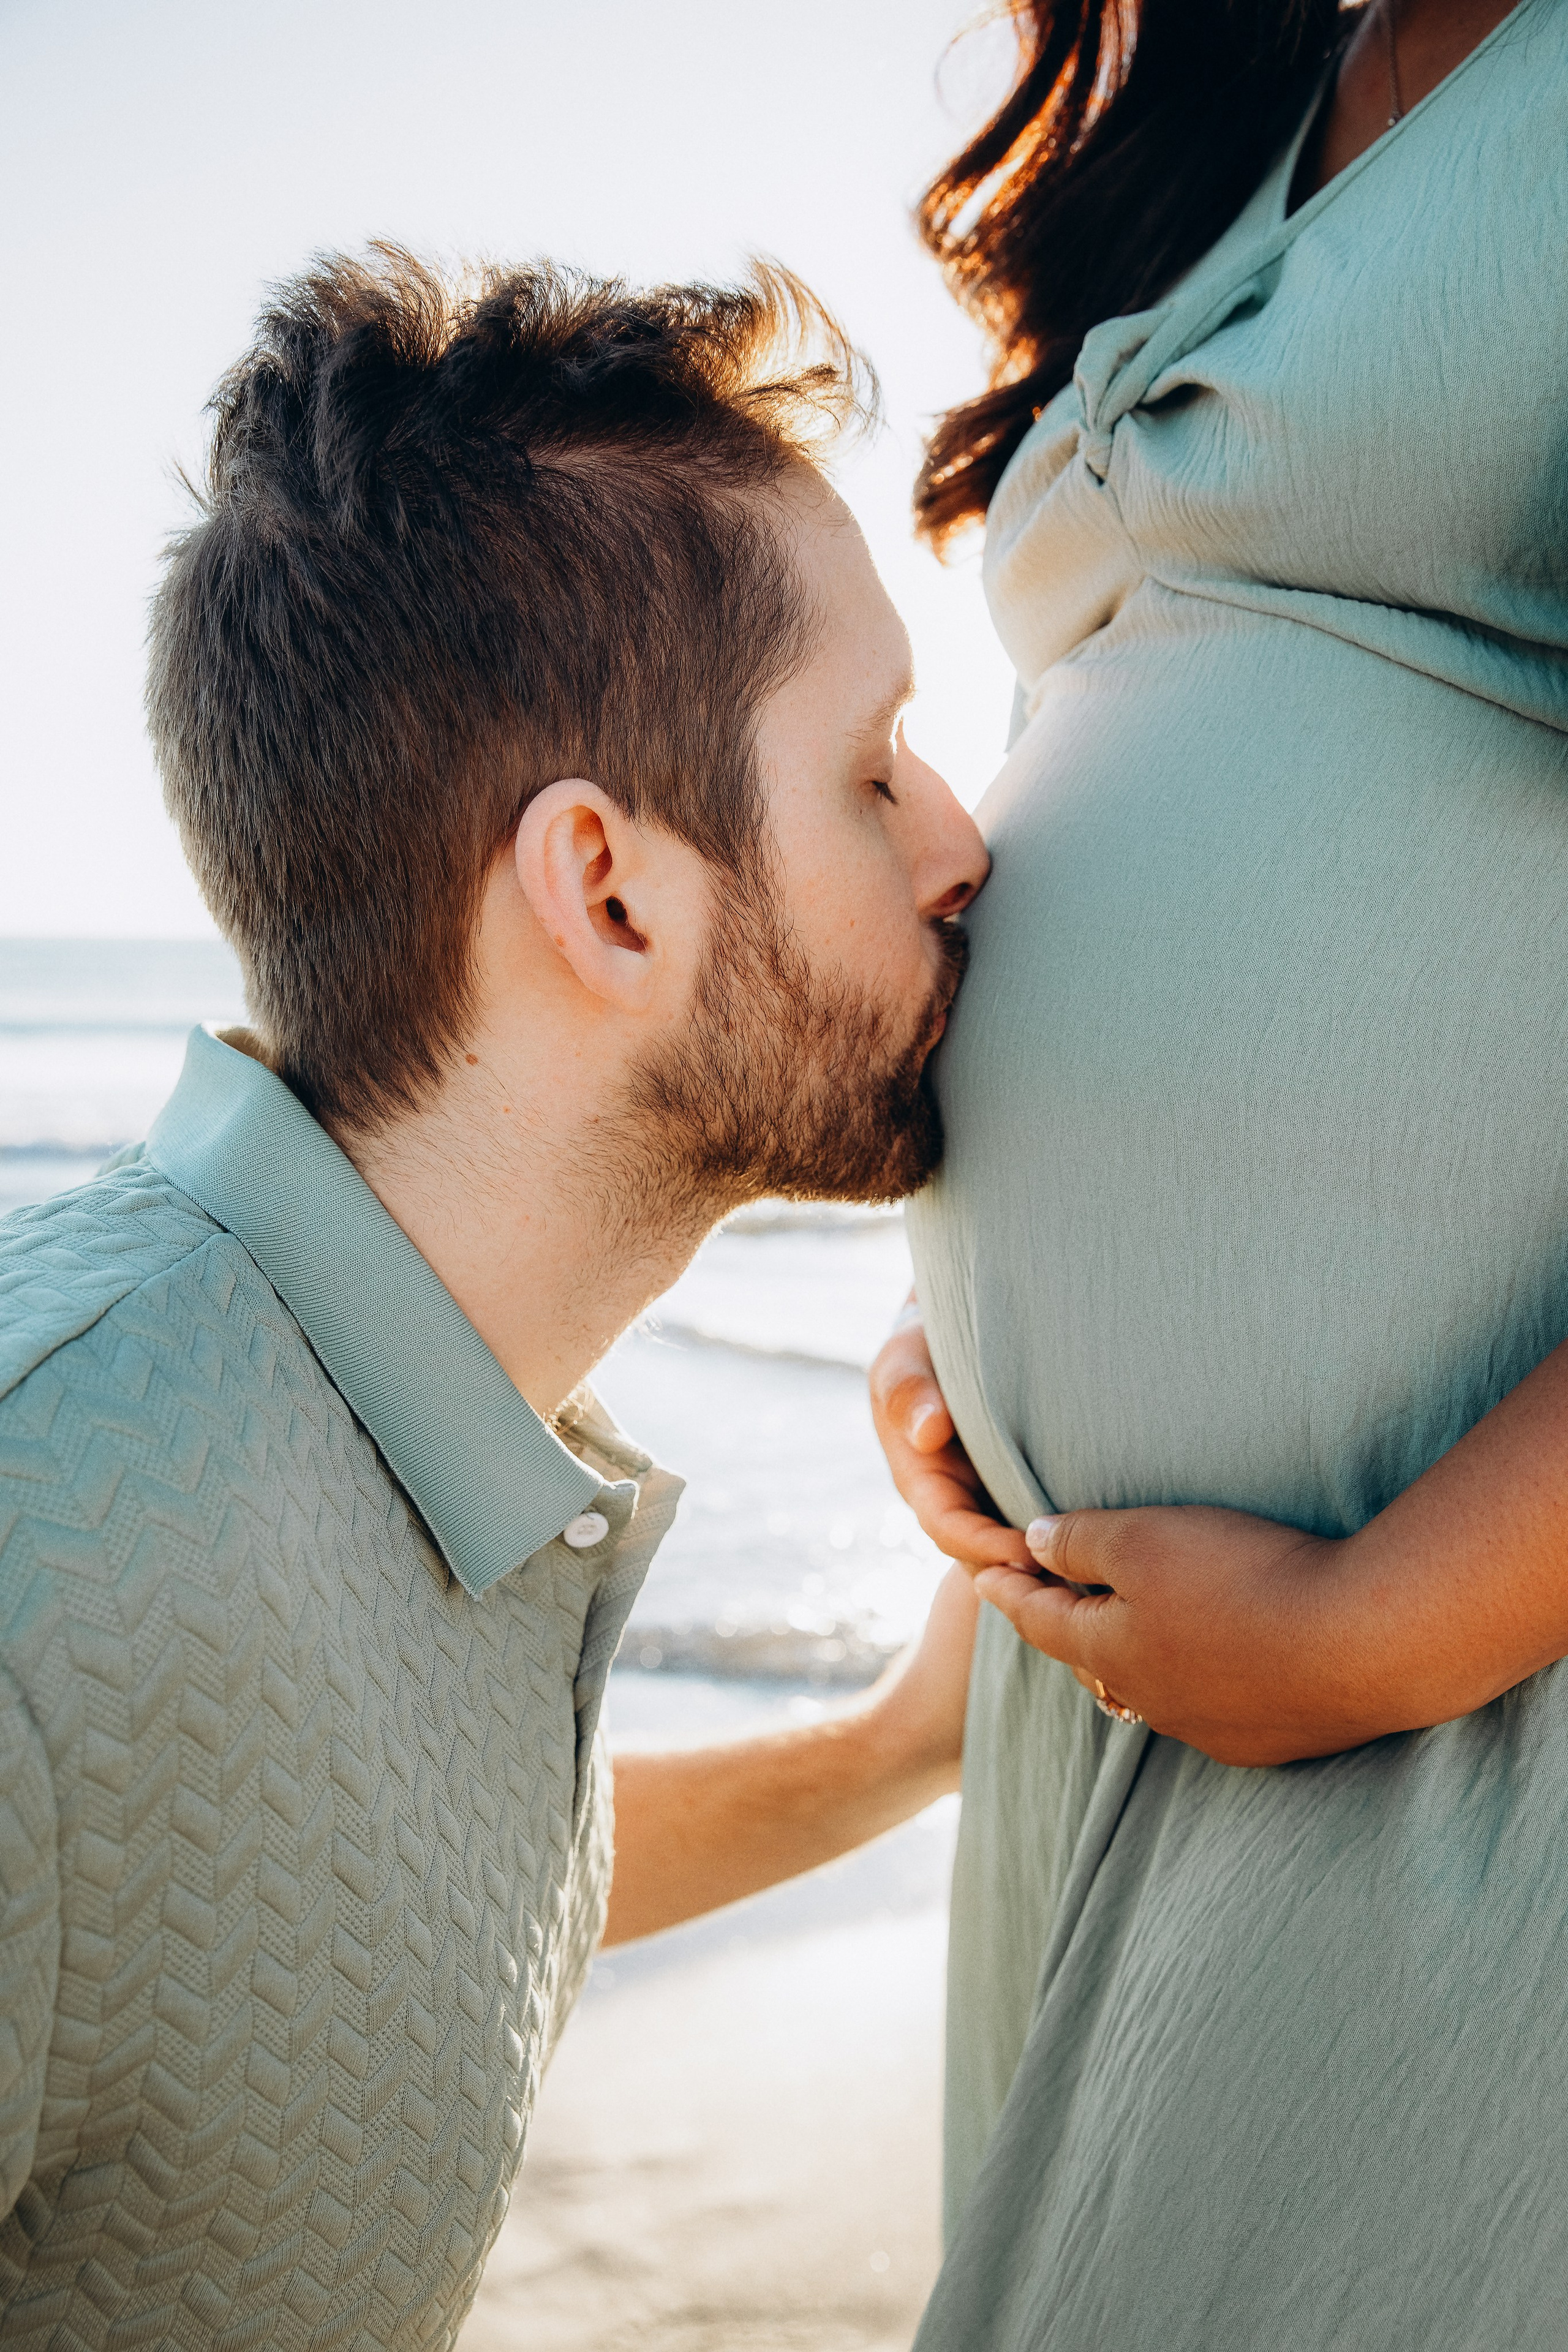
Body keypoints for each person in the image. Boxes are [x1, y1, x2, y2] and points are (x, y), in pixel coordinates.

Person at [0, 248, 987, 2348]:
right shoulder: (43, 1541)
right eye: (877, 768)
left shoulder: (378, 1402)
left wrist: (904, 1746)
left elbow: (348, 1898)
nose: (962, 841)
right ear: (608, 889)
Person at [865, 0, 1568, 2343]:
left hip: (1469, 1647)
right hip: (1126, 1665)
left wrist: (1378, 1625)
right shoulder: (1250, 85)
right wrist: (969, 1314)